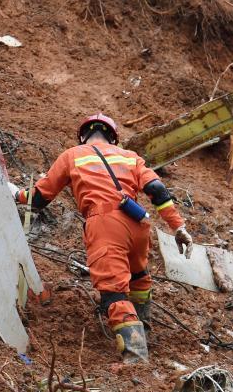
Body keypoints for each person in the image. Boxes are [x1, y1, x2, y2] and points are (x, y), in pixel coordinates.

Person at [16, 114, 193, 363]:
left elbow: (39, 198)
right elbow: (157, 190)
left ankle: (136, 357)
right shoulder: (130, 156)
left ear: (83, 135)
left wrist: (17, 194)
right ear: (113, 138)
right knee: (139, 278)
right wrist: (178, 227)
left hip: (105, 224)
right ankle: (142, 329)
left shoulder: (72, 155)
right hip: (138, 221)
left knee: (114, 292)